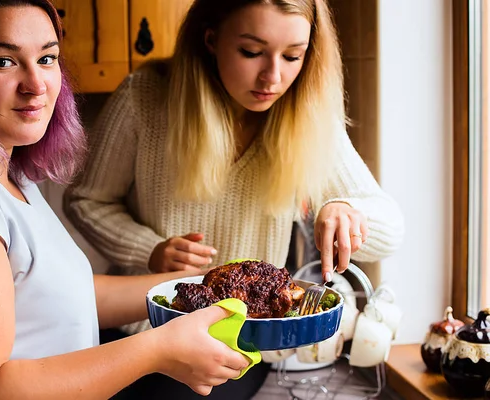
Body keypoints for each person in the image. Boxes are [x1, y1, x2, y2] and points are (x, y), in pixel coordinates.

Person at [0, 1, 253, 399]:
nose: (36, 83)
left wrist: (204, 283)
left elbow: (66, 294)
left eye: (47, 58)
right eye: (3, 61)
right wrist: (158, 350)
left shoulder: (7, 175)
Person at [63, 0, 404, 398]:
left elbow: (390, 228)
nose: (273, 77)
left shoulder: (308, 117)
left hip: (240, 346)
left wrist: (346, 208)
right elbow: (86, 199)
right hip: (144, 329)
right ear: (211, 39)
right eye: (251, 52)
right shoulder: (146, 98)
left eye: (293, 55)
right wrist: (148, 249)